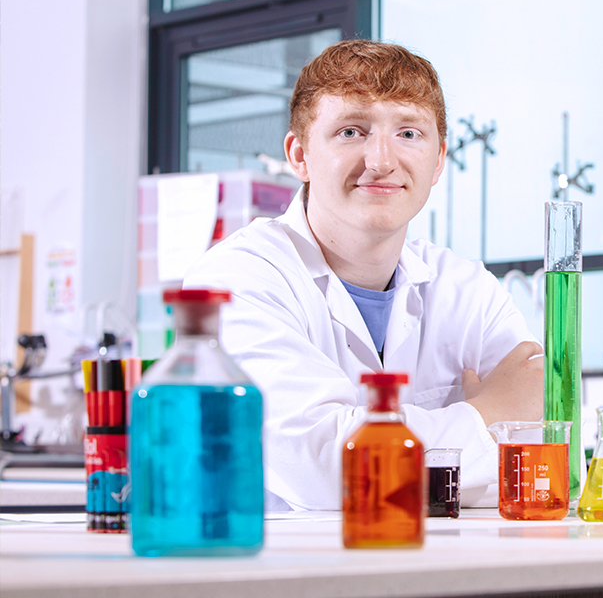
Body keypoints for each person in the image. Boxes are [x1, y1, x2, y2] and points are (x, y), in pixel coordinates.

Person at [184, 39, 543, 511]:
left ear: (438, 161)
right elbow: (323, 469)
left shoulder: (467, 290)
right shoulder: (236, 281)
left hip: (444, 573)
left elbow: (540, 465)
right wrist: (488, 415)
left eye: (409, 134)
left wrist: (384, 443)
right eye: (351, 131)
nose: (381, 160)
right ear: (300, 156)